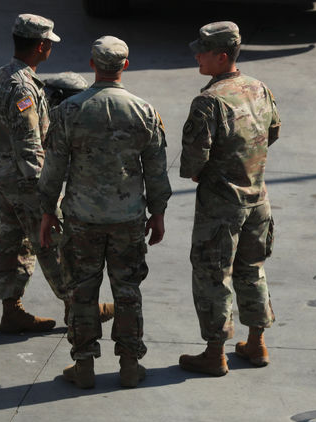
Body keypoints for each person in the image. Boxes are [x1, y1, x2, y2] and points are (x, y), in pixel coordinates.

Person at [38, 36, 171, 389]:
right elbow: (156, 171)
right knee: (127, 289)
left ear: (93, 64)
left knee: (82, 290)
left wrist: (47, 211)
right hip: (128, 219)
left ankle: (83, 366)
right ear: (125, 66)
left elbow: (53, 169)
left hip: (82, 218)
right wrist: (157, 213)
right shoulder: (144, 111)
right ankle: (129, 365)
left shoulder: (68, 111)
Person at [178, 21, 280, 376]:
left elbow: (193, 163)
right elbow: (273, 131)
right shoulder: (258, 87)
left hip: (221, 206)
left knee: (212, 275)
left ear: (221, 57)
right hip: (258, 198)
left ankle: (214, 352)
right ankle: (256, 342)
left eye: (202, 51)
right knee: (252, 270)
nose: (196, 56)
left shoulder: (208, 101)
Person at [0, 14, 66, 334]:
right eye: (49, 43)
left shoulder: (1, 75)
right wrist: (47, 199)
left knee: (12, 240)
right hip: (24, 181)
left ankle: (11, 309)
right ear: (42, 45)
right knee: (51, 242)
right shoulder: (23, 88)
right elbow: (30, 146)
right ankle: (78, 307)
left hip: (4, 176)